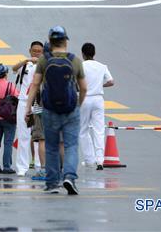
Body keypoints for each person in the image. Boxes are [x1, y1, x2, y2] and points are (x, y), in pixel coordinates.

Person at [26, 26, 86, 196]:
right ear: (65, 41)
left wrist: (28, 108)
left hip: (50, 109)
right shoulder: (75, 60)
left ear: (50, 42)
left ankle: (52, 183)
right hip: (70, 109)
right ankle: (69, 176)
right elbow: (83, 88)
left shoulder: (44, 61)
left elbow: (35, 85)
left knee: (51, 146)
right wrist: (78, 105)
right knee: (71, 145)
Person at [79, 43, 114, 170]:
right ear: (94, 53)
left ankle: (89, 159)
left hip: (85, 98)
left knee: (83, 130)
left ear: (83, 54)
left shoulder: (81, 66)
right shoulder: (102, 66)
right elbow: (111, 82)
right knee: (99, 130)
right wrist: (100, 85)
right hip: (98, 99)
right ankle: (100, 160)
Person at [11, 41, 44, 176]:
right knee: (23, 135)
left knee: (38, 136)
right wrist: (26, 60)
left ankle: (39, 165)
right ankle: (22, 167)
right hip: (24, 102)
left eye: (39, 51)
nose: (36, 53)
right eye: (34, 50)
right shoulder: (25, 65)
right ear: (30, 51)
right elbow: (13, 69)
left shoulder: (44, 66)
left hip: (38, 103)